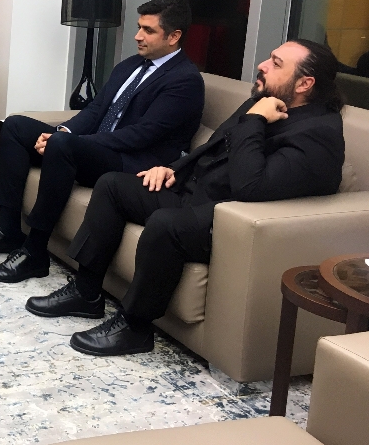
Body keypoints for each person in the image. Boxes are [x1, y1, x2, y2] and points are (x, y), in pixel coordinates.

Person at [26, 39, 345, 357]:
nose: (262, 66)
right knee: (112, 186)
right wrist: (172, 169)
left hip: (226, 219)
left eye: (276, 63)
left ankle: (135, 327)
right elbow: (211, 147)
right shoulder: (263, 102)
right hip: (194, 195)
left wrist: (255, 121)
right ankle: (86, 293)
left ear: (304, 84)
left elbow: (251, 187)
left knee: (165, 223)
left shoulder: (319, 134)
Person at [0, 0, 204, 284]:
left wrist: (79, 143)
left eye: (148, 30)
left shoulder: (184, 80)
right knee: (15, 126)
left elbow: (143, 134)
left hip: (131, 163)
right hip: (99, 148)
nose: (138, 36)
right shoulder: (131, 65)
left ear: (174, 37)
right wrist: (63, 132)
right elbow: (95, 109)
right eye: (139, 27)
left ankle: (34, 253)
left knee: (62, 145)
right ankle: (7, 231)